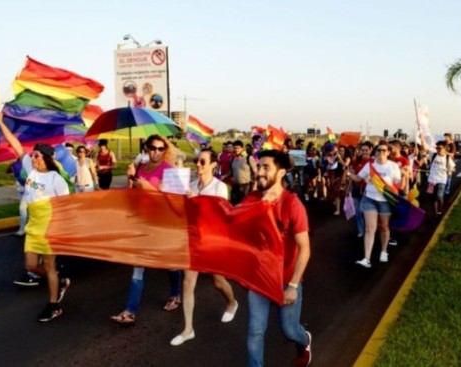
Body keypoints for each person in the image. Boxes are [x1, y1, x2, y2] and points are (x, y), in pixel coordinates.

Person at [0, 112, 72, 321]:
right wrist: (1, 122)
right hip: (33, 226)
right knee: (30, 266)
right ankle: (59, 280)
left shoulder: (56, 179)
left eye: (36, 155)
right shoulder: (31, 170)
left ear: (46, 158)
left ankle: (54, 305)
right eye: (33, 154)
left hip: (49, 227)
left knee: (49, 265)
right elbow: (16, 146)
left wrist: (60, 230)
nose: (32, 157)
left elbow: (65, 206)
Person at [241, 149, 312, 367]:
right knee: (255, 331)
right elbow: (230, 225)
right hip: (259, 279)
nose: (259, 171)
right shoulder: (252, 199)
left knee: (289, 330)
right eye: (258, 166)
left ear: (281, 173)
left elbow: (305, 249)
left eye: (265, 167)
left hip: (286, 279)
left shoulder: (292, 204)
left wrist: (292, 285)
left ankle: (305, 340)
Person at [110, 134, 183, 324]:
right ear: (146, 148)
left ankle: (175, 295)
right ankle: (130, 311)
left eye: (160, 149)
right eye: (153, 148)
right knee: (138, 267)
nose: (156, 152)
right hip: (142, 223)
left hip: (162, 225)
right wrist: (131, 178)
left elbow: (174, 201)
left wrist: (148, 187)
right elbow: (134, 194)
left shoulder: (170, 170)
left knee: (170, 264)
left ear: (165, 150)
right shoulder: (141, 167)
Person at [170, 148, 239, 346]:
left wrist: (197, 202)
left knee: (218, 282)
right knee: (188, 283)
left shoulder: (220, 188)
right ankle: (188, 329)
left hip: (213, 241)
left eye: (202, 162)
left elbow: (220, 217)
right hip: (193, 241)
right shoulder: (190, 185)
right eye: (196, 161)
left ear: (213, 165)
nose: (198, 165)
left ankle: (232, 303)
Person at [348, 140, 403, 268]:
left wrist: (405, 176)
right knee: (369, 228)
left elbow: (399, 186)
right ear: (375, 152)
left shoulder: (393, 166)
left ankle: (384, 250)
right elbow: (358, 178)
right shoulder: (370, 166)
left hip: (385, 201)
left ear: (388, 152)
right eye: (378, 150)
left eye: (384, 150)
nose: (381, 152)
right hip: (369, 199)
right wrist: (349, 174)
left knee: (383, 226)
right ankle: (366, 258)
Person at [427, 141, 456, 218]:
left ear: (444, 149)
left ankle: (440, 212)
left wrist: (451, 169)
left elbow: (453, 168)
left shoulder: (447, 157)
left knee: (439, 196)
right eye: (437, 148)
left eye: (440, 148)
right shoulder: (433, 155)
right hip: (431, 180)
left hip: (441, 180)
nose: (438, 149)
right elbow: (425, 148)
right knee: (432, 197)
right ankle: (435, 214)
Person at [230, 140, 256, 205]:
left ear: (242, 148)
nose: (236, 150)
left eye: (238, 148)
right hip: (235, 187)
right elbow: (232, 172)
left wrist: (255, 186)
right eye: (235, 148)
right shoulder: (232, 159)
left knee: (245, 205)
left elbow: (256, 172)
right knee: (234, 205)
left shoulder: (248, 158)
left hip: (246, 187)